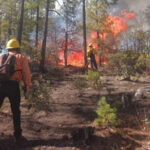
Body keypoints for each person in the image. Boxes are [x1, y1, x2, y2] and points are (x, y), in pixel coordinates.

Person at [0, 39, 31, 142]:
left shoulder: (1, 57)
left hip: (1, 85)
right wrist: (27, 86)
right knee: (16, 111)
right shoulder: (21, 57)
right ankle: (18, 136)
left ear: (8, 48)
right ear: (17, 48)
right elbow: (26, 73)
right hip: (13, 86)